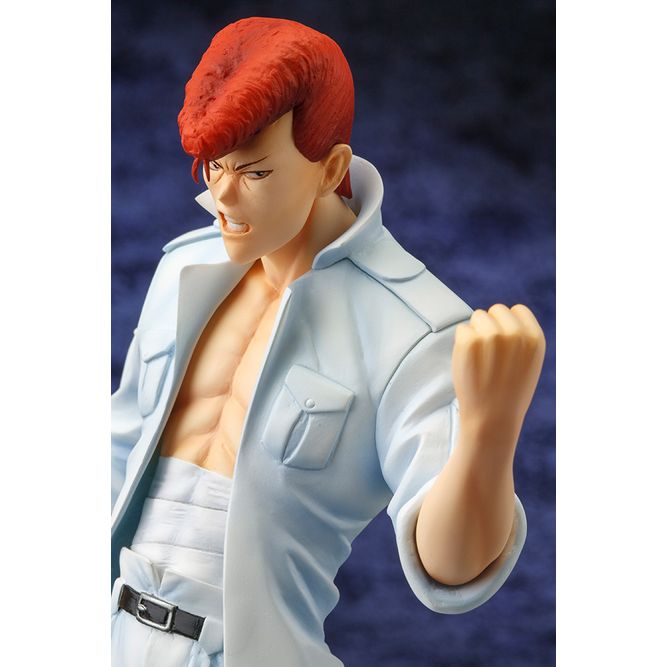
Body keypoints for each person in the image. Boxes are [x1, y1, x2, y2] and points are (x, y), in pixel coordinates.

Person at [111, 17, 545, 667]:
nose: (221, 195)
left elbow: (452, 571)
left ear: (330, 168)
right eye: (213, 166)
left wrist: (490, 426)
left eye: (255, 171)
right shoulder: (185, 266)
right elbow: (119, 450)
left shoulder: (413, 328)